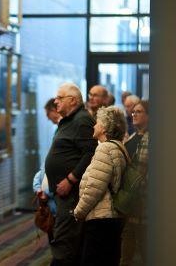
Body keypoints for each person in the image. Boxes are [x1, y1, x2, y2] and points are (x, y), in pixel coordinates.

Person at [45, 83, 97, 265]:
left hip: (72, 194)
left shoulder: (82, 120)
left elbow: (91, 153)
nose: (55, 101)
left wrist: (71, 179)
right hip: (62, 193)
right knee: (65, 239)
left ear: (73, 101)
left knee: (65, 241)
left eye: (59, 98)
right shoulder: (69, 120)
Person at [73, 106, 128, 266]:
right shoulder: (118, 146)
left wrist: (78, 212)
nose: (94, 125)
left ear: (104, 127)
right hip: (112, 218)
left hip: (101, 219)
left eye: (97, 122)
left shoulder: (104, 149)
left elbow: (94, 188)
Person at [120, 100, 149, 266]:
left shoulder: (151, 138)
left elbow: (144, 171)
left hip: (142, 199)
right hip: (130, 199)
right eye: (133, 111)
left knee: (145, 244)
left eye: (139, 111)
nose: (134, 114)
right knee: (127, 242)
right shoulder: (133, 136)